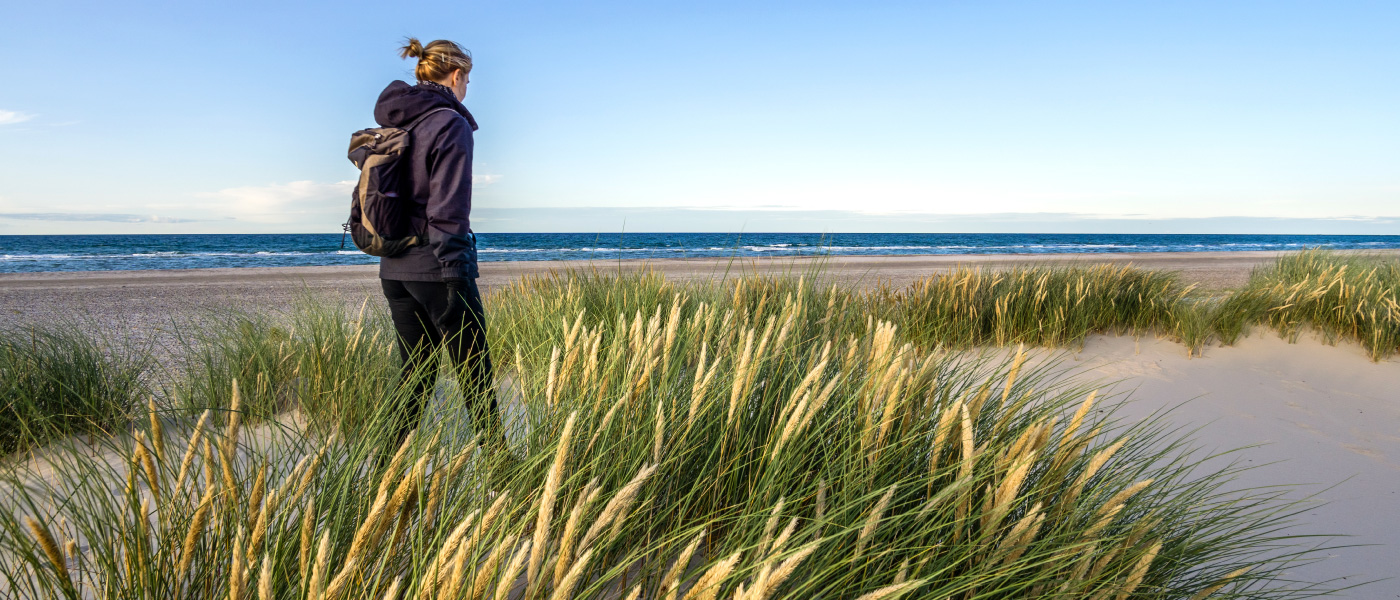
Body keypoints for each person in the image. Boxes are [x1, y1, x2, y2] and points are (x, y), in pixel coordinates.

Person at [373, 38, 507, 457]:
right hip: (436, 267)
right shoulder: (450, 122)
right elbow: (448, 208)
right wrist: (455, 274)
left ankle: (384, 470)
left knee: (415, 375)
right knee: (475, 375)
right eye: (468, 79)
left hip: (394, 268)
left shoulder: (398, 121)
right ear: (457, 75)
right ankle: (500, 465)